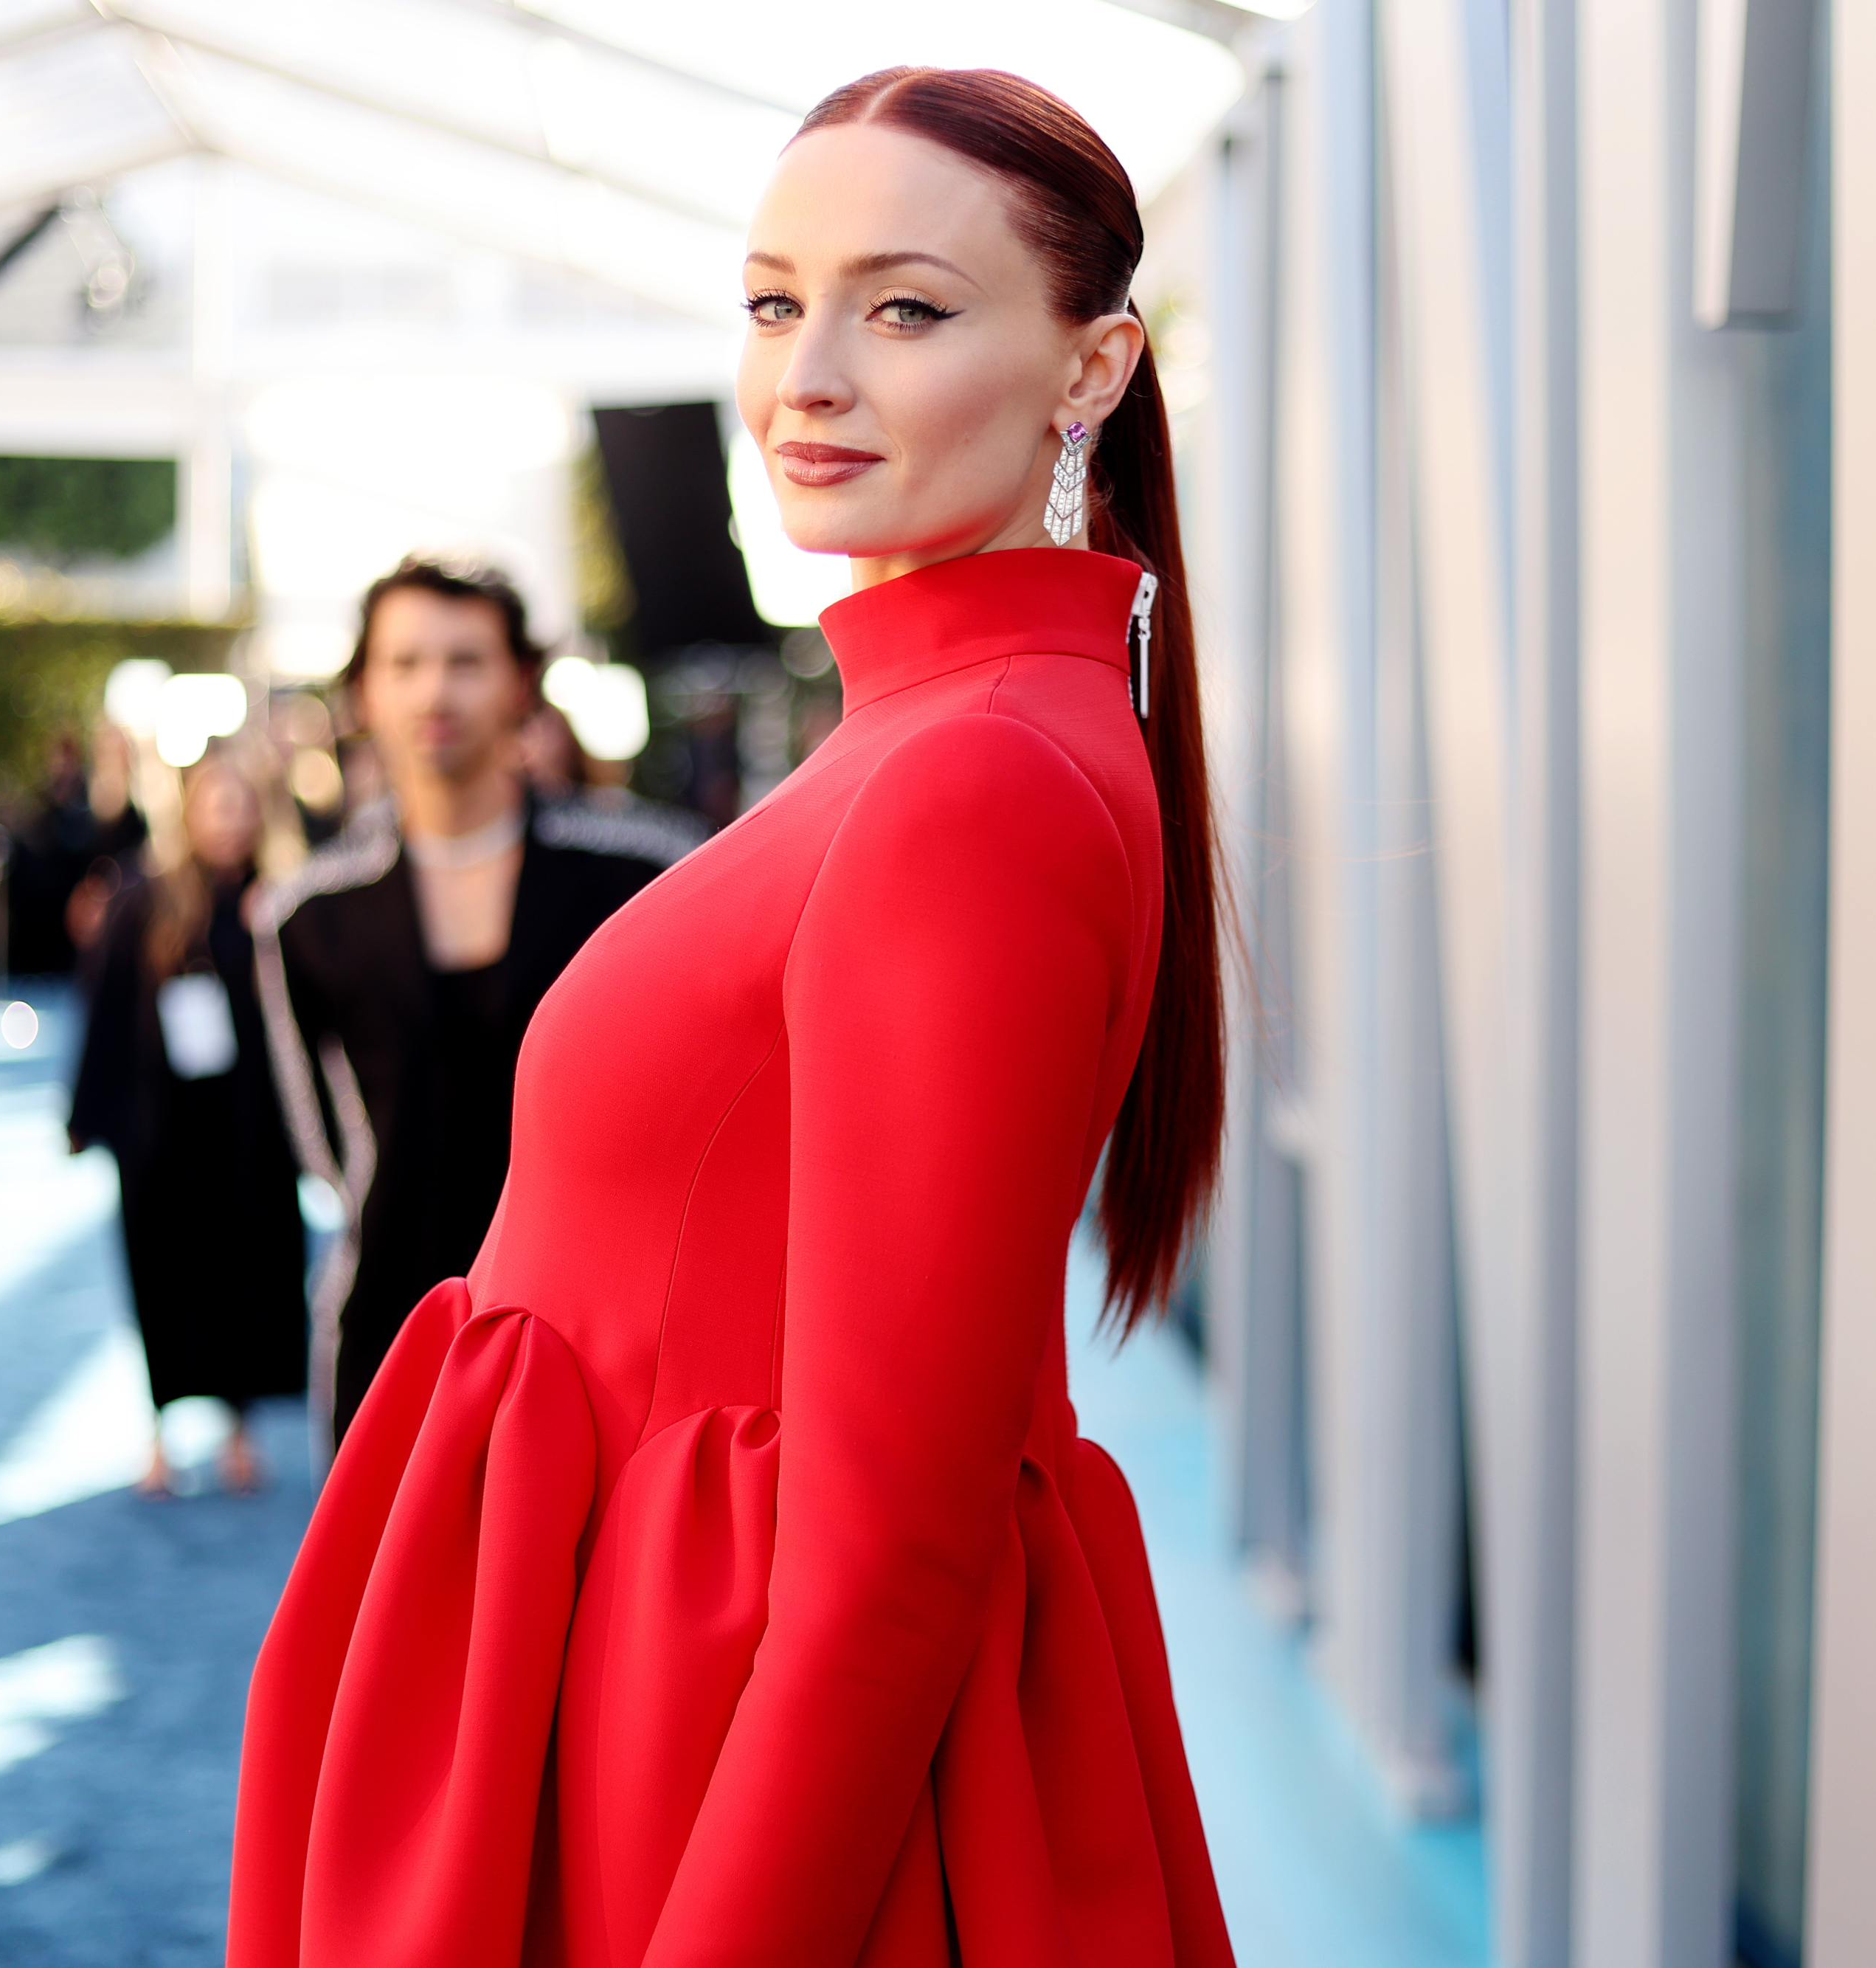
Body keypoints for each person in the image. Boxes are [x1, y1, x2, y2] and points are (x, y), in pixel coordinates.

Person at [232, 69, 1236, 1968]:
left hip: (680, 1769)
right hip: (634, 1702)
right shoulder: (939, 740)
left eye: (906, 307)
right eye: (776, 303)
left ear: (1090, 371)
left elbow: (892, 1562)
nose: (809, 378)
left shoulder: (975, 784)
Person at [252, 557, 702, 1440]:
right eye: (406, 663)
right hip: (394, 1318)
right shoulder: (307, 914)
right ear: (362, 693)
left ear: (521, 682)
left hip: (605, 1329)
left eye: (466, 661)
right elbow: (326, 1145)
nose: (435, 691)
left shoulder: (645, 873)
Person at [68, 747, 311, 1496]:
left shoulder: (281, 905)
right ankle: (161, 1431)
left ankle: (240, 1428)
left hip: (249, 1130)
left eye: (241, 806)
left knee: (248, 1269)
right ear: (190, 812)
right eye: (215, 804)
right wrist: (89, 1115)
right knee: (162, 1271)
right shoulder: (143, 901)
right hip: (162, 1127)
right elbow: (106, 1009)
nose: (228, 820)